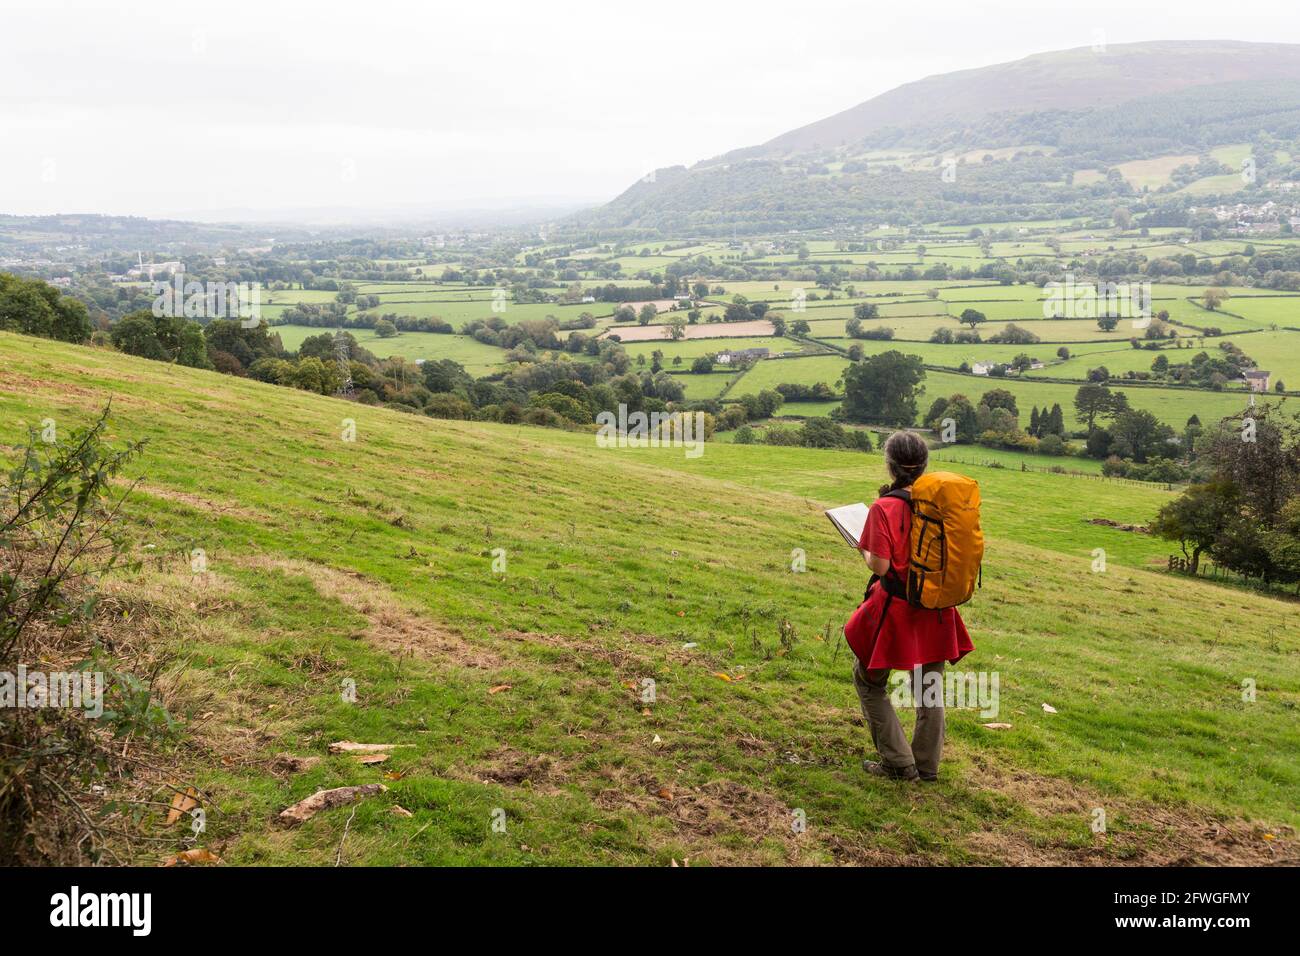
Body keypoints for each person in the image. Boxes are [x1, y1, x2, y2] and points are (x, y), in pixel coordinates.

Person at [844, 430, 973, 782]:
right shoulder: (942, 505)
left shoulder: (884, 508)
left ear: (890, 467)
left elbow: (880, 567)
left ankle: (899, 763)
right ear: (924, 466)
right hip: (937, 607)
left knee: (870, 682)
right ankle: (927, 767)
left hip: (897, 611)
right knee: (929, 688)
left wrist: (863, 547)